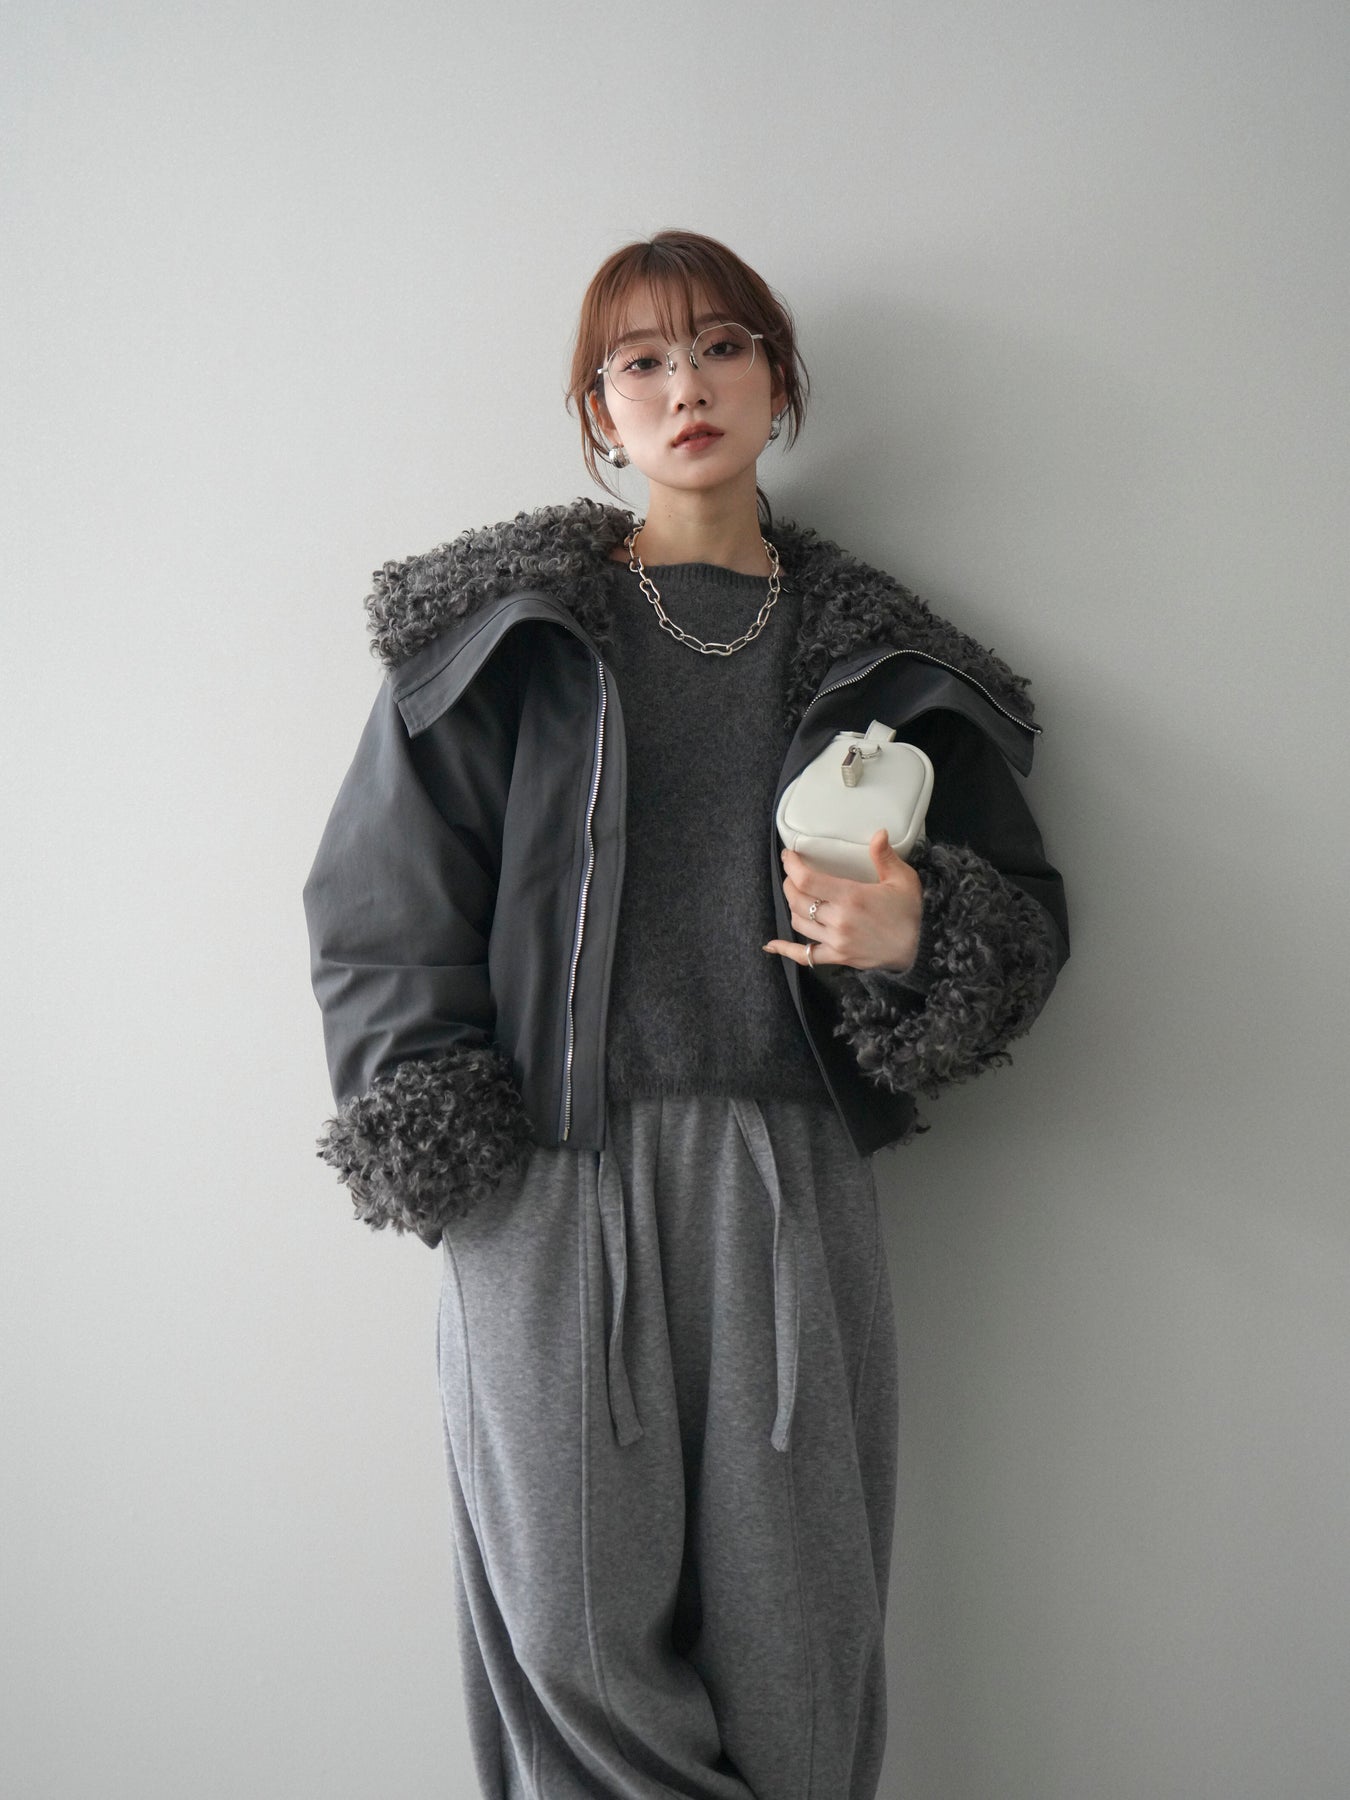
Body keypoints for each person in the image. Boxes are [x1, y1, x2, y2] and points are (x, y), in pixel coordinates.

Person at [302, 229, 1069, 1800]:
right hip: (543, 1172)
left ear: (778, 382)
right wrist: (458, 1154)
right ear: (598, 412)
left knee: (797, 1640)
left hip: (786, 1180)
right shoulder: (504, 635)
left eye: (720, 346)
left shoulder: (888, 664)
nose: (684, 385)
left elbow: (1019, 918)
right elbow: (376, 911)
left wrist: (917, 934)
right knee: (569, 1635)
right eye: (639, 361)